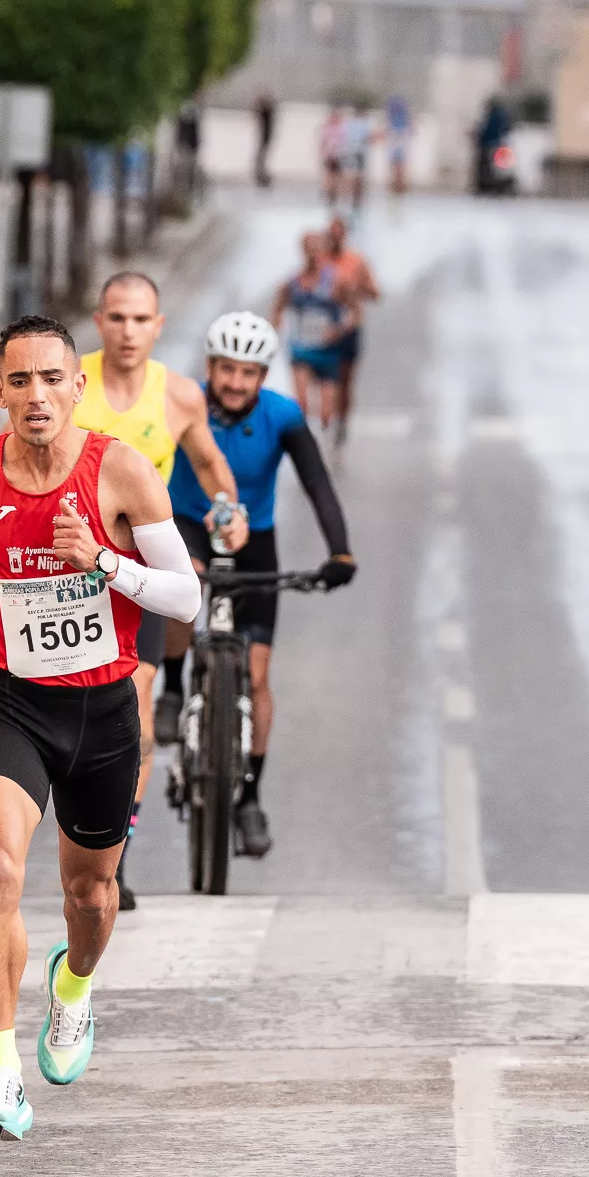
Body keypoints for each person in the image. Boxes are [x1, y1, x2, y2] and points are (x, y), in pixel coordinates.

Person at [0, 314, 204, 1140]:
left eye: (52, 379)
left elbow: (187, 598)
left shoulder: (123, 474)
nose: (36, 395)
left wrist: (103, 561)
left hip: (105, 711)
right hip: (13, 701)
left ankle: (72, 990)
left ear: (79, 387)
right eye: (20, 381)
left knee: (90, 894)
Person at [73, 272, 246, 908]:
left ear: (158, 326)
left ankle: (116, 855)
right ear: (99, 321)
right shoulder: (70, 384)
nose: (127, 331)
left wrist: (230, 506)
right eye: (117, 318)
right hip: (63, 573)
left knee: (135, 713)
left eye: (140, 320)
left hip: (139, 571)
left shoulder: (177, 396)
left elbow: (205, 463)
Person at [161, 313, 356, 857]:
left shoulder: (283, 416)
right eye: (226, 370)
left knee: (258, 670)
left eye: (248, 373)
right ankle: (174, 687)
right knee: (184, 590)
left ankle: (249, 796)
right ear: (210, 368)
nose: (236, 384)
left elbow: (317, 482)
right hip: (188, 524)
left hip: (255, 536)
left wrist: (339, 550)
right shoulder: (184, 404)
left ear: (263, 375)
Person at [274, 230, 355, 438]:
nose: (311, 253)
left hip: (328, 351)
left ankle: (329, 441)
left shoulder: (338, 281)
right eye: (307, 249)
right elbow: (278, 309)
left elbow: (355, 313)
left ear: (323, 250)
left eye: (315, 248)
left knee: (326, 413)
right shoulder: (292, 282)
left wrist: (339, 330)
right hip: (301, 348)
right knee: (301, 403)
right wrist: (273, 331)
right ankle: (304, 444)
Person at [325, 214, 377, 441]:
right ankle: (325, 415)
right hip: (324, 329)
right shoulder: (320, 261)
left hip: (349, 327)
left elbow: (374, 293)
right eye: (331, 233)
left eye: (339, 232)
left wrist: (355, 290)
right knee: (325, 377)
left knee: (345, 380)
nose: (335, 237)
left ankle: (342, 421)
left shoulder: (356, 261)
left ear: (344, 235)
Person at [384, 94, 412, 196]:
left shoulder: (399, 119)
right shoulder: (398, 118)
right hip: (397, 140)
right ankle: (396, 187)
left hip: (398, 140)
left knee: (398, 165)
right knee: (397, 165)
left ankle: (398, 187)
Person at [251, 90, 276, 188]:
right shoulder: (269, 112)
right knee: (261, 158)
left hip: (264, 137)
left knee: (260, 158)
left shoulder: (266, 112)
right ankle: (262, 177)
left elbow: (257, 114)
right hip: (265, 137)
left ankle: (262, 178)